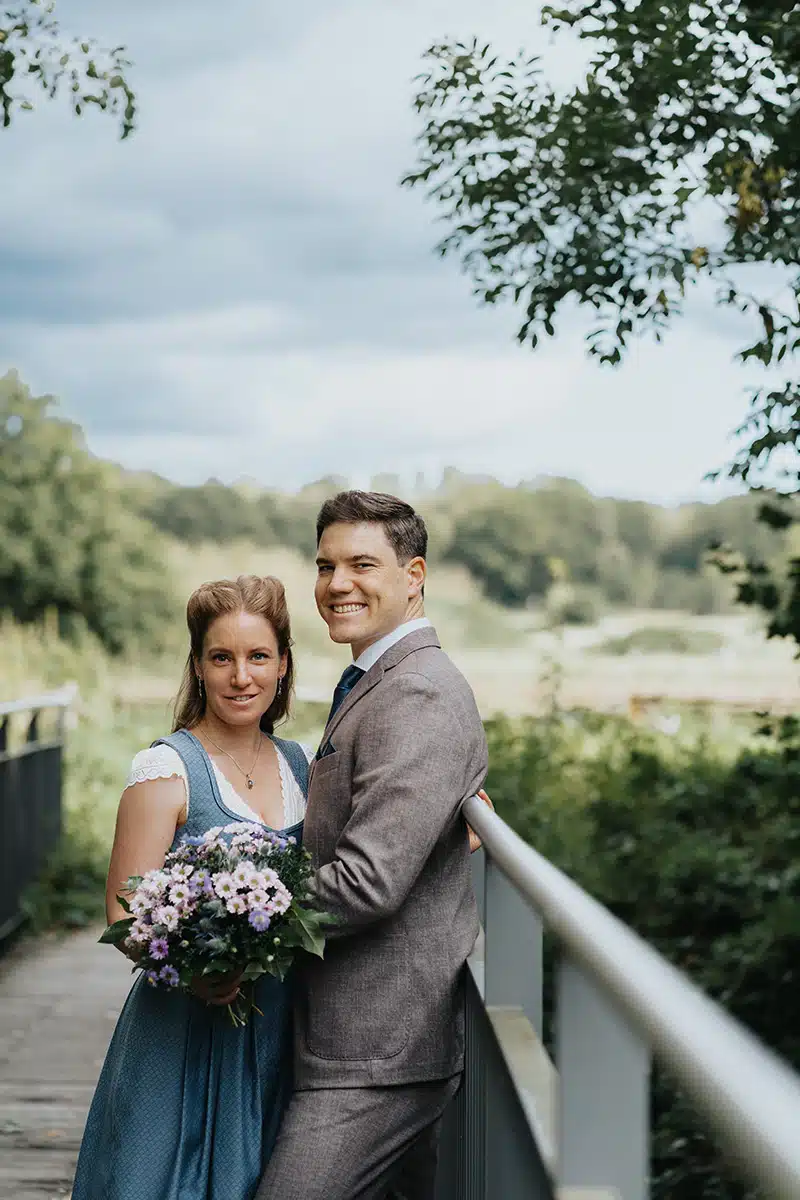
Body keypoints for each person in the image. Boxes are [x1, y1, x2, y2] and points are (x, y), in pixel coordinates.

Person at [257, 491, 489, 1200]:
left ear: (414, 574)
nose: (336, 585)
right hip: (348, 1030)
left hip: (377, 1047)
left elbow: (367, 882)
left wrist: (238, 911)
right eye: (325, 566)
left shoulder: (415, 691)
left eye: (362, 564)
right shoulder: (374, 679)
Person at [71, 574, 312, 1200]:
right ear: (198, 668)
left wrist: (454, 830)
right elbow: (124, 910)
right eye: (222, 658)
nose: (242, 677)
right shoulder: (166, 767)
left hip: (276, 1033)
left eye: (259, 657)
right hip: (183, 1031)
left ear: (284, 666)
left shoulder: (299, 765)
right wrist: (195, 970)